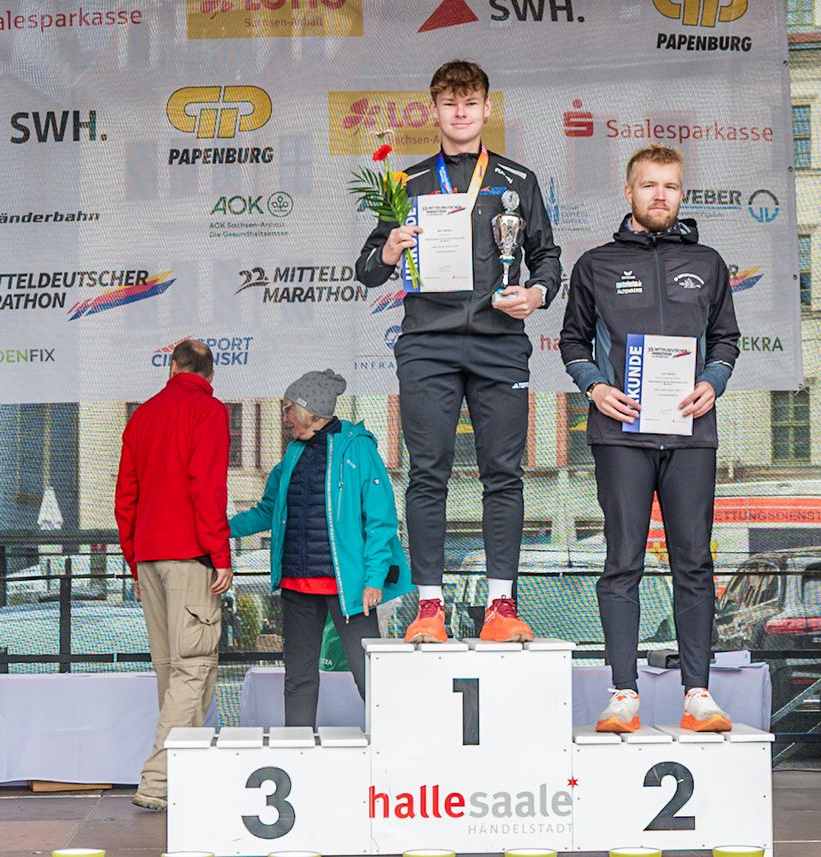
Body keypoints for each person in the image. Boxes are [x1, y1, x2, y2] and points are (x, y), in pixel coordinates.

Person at [355, 60, 562, 644]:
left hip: (500, 342)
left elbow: (547, 257)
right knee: (427, 473)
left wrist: (537, 293)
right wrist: (390, 249)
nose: (461, 112)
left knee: (504, 474)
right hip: (428, 344)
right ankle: (429, 608)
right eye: (450, 103)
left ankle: (501, 607)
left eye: (471, 102)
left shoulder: (518, 180)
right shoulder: (407, 183)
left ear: (488, 109)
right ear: (435, 111)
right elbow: (367, 269)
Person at [559, 143, 740, 734]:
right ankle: (623, 694)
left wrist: (713, 381)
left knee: (695, 562)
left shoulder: (708, 263)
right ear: (629, 192)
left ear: (681, 194)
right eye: (649, 185)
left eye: (671, 186)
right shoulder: (596, 264)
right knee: (622, 562)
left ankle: (698, 695)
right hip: (621, 436)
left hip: (690, 434)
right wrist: (595, 387)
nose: (660, 195)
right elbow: (572, 341)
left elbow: (726, 339)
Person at [229, 370, 413, 726]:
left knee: (369, 675)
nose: (284, 418)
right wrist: (218, 530)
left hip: (350, 590)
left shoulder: (358, 448)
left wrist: (374, 578)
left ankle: (395, 741)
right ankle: (297, 748)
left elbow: (381, 520)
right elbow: (268, 510)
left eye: (287, 409)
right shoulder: (292, 455)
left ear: (309, 410)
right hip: (297, 585)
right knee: (298, 678)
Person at [115, 339, 232, 811]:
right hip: (189, 556)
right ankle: (158, 781)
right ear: (210, 373)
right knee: (194, 667)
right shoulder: (209, 411)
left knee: (171, 670)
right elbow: (208, 486)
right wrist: (220, 554)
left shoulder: (142, 416)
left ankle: (183, 774)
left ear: (172, 367)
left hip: (149, 556)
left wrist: (135, 560)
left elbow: (125, 498)